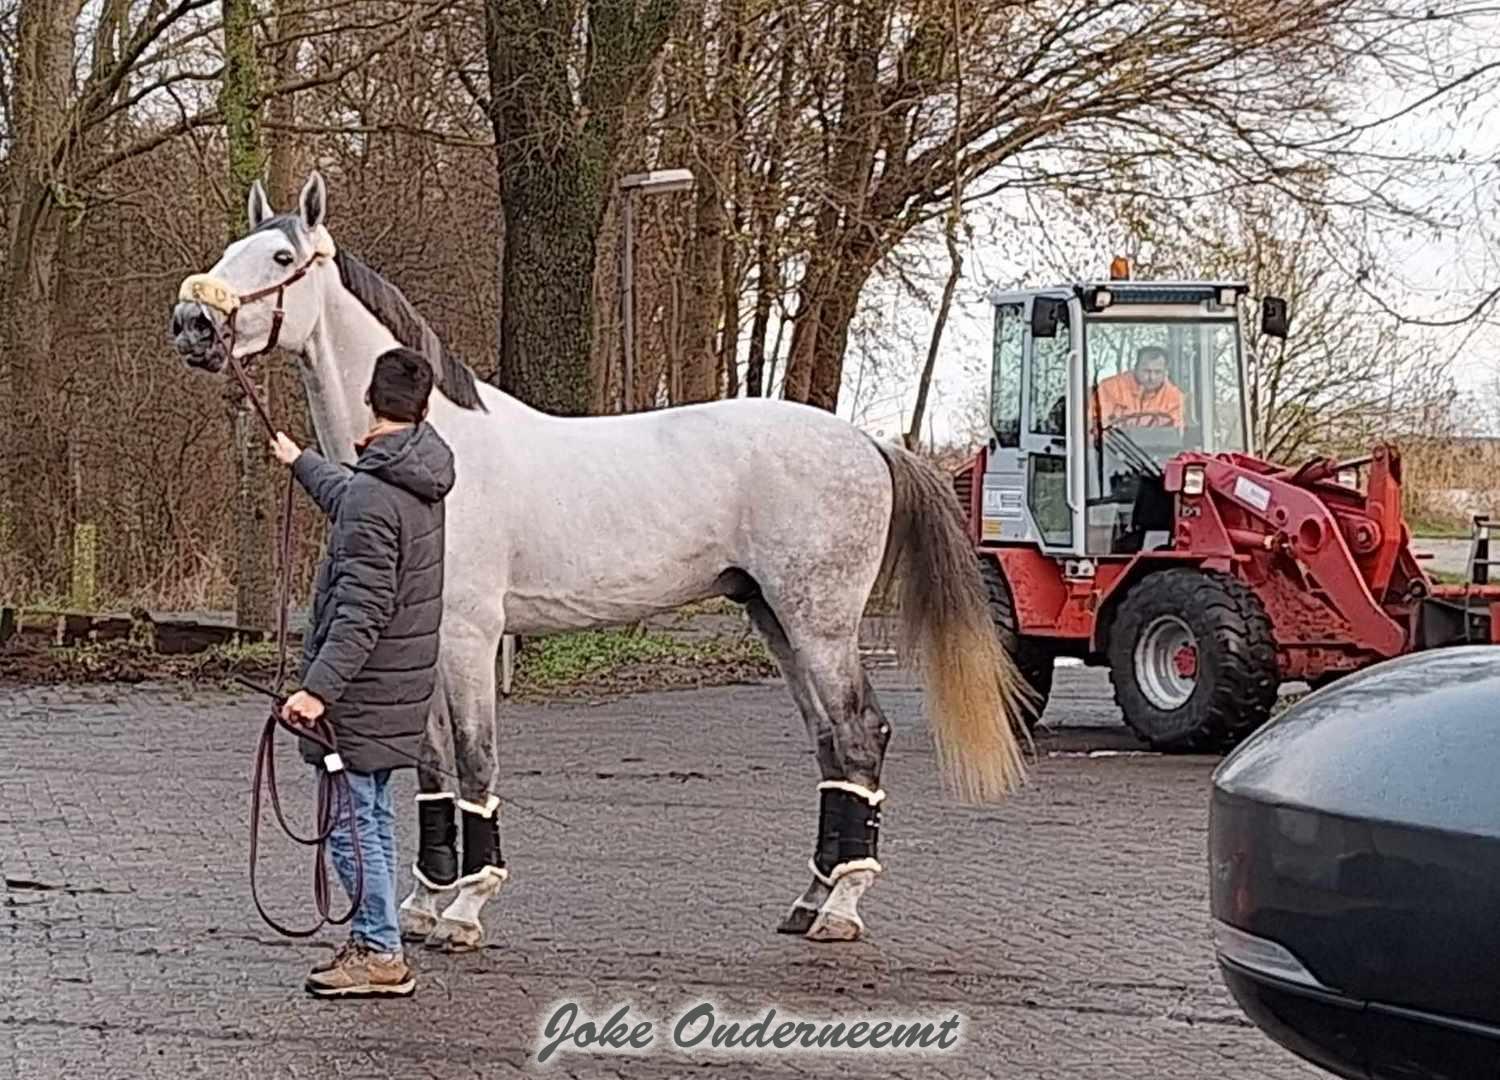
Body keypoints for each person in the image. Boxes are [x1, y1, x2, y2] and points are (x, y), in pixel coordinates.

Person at [269, 346, 455, 999]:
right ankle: (380, 943)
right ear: (422, 407)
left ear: (371, 403)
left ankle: (380, 952)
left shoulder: (379, 492)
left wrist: (316, 691)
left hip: (361, 690)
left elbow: (361, 611)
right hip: (394, 686)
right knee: (370, 817)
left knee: (350, 830)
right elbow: (352, 496)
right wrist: (301, 462)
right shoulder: (415, 476)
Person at [1091, 345, 1185, 430]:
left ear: (1165, 372)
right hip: (1115, 447)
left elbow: (1179, 434)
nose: (1152, 377)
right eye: (1146, 371)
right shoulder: (1109, 388)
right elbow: (1094, 428)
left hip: (1161, 448)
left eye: (1158, 372)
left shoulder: (1175, 397)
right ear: (1135, 368)